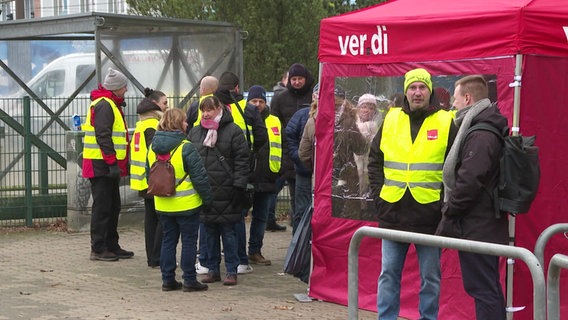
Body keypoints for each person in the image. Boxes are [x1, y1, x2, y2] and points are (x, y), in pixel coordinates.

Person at [367, 68, 457, 320]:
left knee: (430, 279)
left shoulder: (446, 121)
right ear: (405, 91)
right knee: (388, 275)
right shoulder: (392, 117)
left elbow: (455, 169)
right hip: (392, 212)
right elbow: (374, 160)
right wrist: (379, 197)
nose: (417, 93)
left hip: (429, 216)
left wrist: (445, 207)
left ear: (431, 91)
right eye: (412, 88)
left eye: (422, 87)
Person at [436, 75, 508, 320]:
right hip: (482, 223)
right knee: (487, 288)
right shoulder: (484, 125)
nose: (453, 106)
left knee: (483, 289)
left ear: (467, 98)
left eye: (455, 99)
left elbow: (469, 181)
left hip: (478, 224)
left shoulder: (480, 132)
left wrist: (450, 211)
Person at [147, 108, 212, 292]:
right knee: (189, 242)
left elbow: (148, 176)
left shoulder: (152, 147)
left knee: (168, 240)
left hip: (163, 204)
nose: (187, 124)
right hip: (187, 204)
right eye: (184, 121)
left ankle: (167, 280)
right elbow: (200, 178)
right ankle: (189, 280)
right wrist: (208, 199)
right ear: (177, 123)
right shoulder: (186, 147)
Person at [188, 96, 250, 286]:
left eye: (210, 110)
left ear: (218, 109)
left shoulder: (233, 131)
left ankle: (231, 270)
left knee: (229, 233)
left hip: (228, 190)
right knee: (209, 233)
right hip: (205, 191)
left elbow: (242, 160)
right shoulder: (196, 132)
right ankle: (213, 269)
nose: (206, 114)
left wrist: (239, 186)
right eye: (203, 110)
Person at [214, 71, 268, 274]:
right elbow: (262, 136)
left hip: (214, 166)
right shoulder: (248, 109)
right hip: (242, 166)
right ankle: (239, 260)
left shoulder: (210, 106)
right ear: (237, 88)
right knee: (237, 214)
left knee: (211, 217)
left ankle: (210, 261)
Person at [82, 68, 133, 262]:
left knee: (113, 206)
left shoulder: (109, 104)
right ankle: (98, 247)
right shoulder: (105, 105)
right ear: (116, 88)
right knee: (103, 207)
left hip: (105, 163)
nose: (126, 89)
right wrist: (112, 162)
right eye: (123, 87)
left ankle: (111, 244)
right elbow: (103, 135)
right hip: (101, 164)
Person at [269, 63, 315, 231]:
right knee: (297, 201)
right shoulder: (280, 98)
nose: (296, 82)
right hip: (290, 156)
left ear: (306, 79)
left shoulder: (313, 97)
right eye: (293, 79)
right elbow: (276, 126)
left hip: (313, 157)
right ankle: (298, 235)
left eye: (299, 79)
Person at [129, 88, 168, 268]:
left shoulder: (141, 124)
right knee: (161, 219)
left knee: (150, 220)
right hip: (154, 179)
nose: (167, 107)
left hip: (142, 180)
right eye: (165, 103)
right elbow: (157, 152)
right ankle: (157, 257)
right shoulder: (153, 126)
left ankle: (152, 258)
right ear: (155, 105)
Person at [184, 75, 219, 275]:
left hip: (202, 168)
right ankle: (217, 259)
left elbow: (188, 132)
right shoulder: (228, 107)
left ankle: (205, 258)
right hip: (221, 173)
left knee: (204, 220)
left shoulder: (195, 107)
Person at [246, 85, 282, 265]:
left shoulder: (275, 121)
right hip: (248, 177)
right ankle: (235, 252)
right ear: (248, 102)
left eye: (261, 101)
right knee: (238, 216)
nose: (258, 104)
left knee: (261, 217)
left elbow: (279, 147)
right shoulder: (244, 119)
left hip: (268, 176)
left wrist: (279, 171)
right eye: (254, 101)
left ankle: (255, 251)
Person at [332, 86, 368, 218]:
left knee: (336, 206)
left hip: (333, 171)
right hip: (344, 171)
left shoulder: (317, 117)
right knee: (345, 207)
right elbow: (362, 147)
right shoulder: (349, 121)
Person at [285, 91, 315, 234]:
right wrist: (297, 156)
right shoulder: (302, 115)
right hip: (304, 171)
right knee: (301, 209)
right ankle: (298, 243)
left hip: (325, 174)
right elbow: (289, 136)